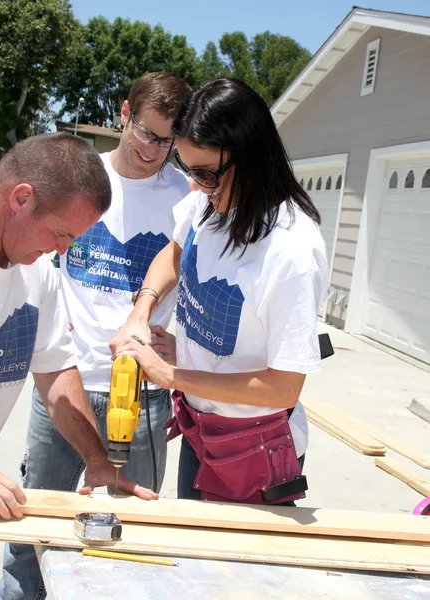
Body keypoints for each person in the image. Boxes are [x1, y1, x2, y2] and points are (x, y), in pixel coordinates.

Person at [0, 72, 190, 599]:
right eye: (148, 133)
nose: (155, 150)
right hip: (67, 386)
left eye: (168, 140)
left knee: (124, 544)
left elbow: (206, 280)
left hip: (142, 397)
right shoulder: (82, 180)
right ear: (124, 114)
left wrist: (185, 345)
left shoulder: (187, 197)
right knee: (30, 539)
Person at [0, 133, 157, 600]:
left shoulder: (36, 272)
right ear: (22, 198)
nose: (64, 250)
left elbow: (57, 374)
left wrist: (97, 460)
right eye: (62, 233)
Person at [111, 78, 329, 505]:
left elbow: (283, 387)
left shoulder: (292, 251)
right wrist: (142, 311)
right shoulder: (208, 205)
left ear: (250, 156)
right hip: (201, 429)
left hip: (254, 448)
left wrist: (172, 374)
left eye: (206, 173)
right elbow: (173, 257)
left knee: (231, 571)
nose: (195, 185)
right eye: (186, 167)